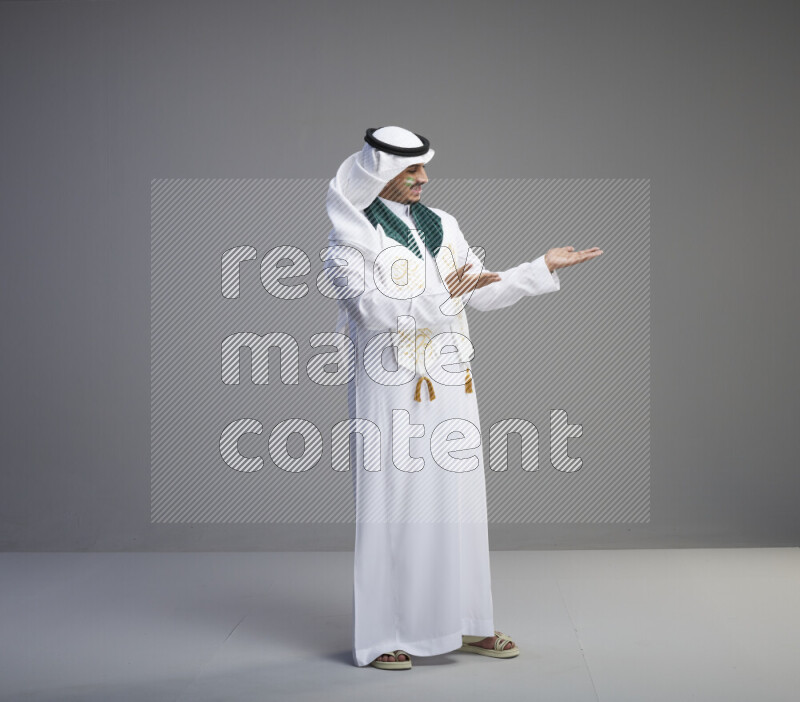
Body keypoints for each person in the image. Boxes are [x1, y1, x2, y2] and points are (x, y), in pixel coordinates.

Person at [323, 126, 603, 669]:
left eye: (423, 168)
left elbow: (480, 289)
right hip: (391, 383)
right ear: (379, 172)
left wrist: (538, 268)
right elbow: (371, 311)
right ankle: (384, 635)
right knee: (394, 504)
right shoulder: (348, 236)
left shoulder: (442, 223)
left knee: (460, 502)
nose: (424, 179)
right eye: (411, 171)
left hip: (451, 378)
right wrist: (442, 296)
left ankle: (467, 624)